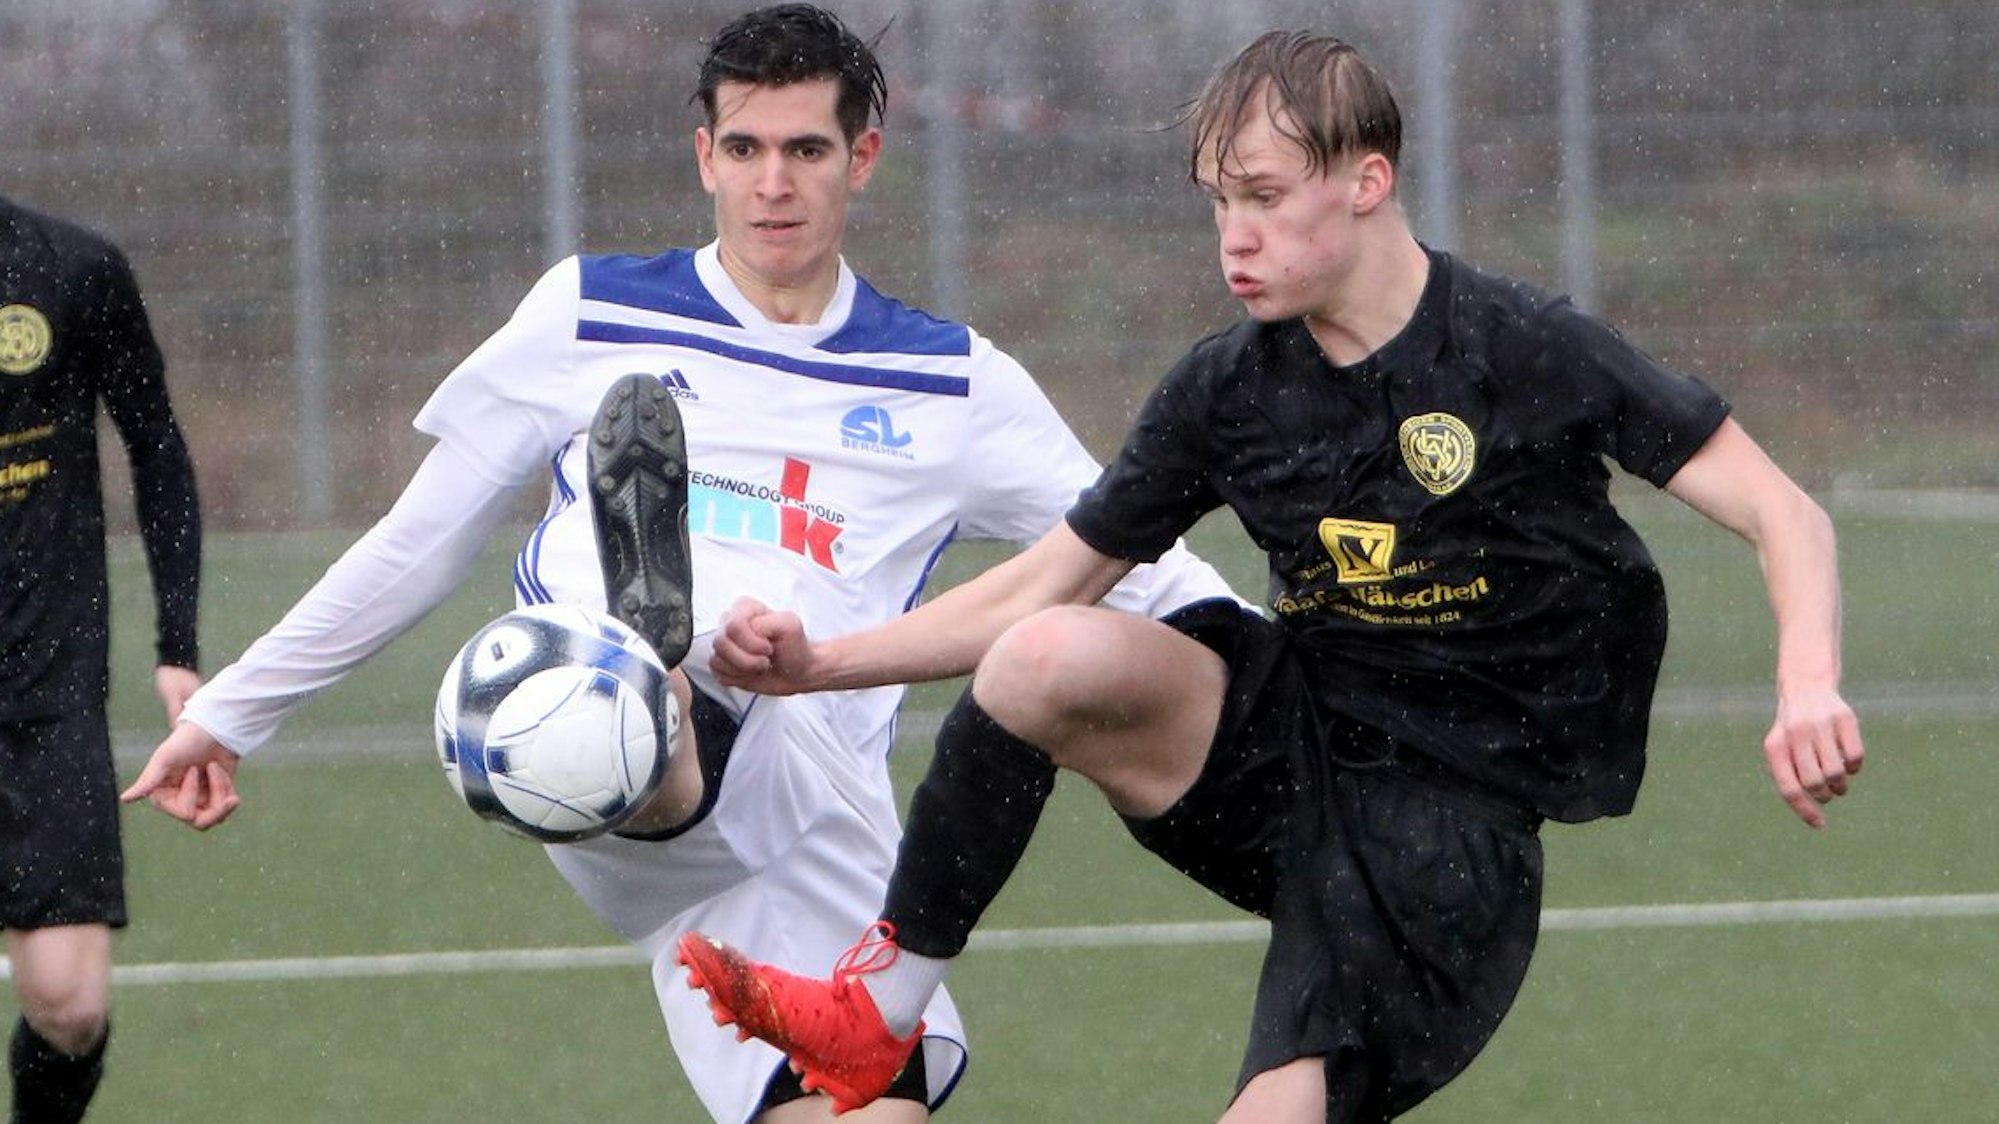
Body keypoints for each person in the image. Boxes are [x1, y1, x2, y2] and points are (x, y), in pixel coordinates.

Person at [678, 28, 1869, 1123]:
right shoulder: (1227, 391)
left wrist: (1807, 681)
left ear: (1365, 181)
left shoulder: (1520, 347)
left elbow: (1784, 511)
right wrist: (819, 665)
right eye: (1217, 205)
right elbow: (1041, 585)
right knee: (1043, 653)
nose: (1232, 239)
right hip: (1291, 751)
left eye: (1261, 199)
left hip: (1451, 822)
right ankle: (874, 1012)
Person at [117, 7, 1238, 1123]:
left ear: (862, 159)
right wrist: (232, 709)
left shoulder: (951, 383)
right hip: (593, 735)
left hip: (818, 820)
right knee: (613, 688)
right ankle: (657, 677)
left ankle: (674, 682)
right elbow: (425, 534)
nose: (773, 184)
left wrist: (1282, 670)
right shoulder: (592, 312)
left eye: (806, 150)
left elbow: (1130, 550)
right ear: (705, 156)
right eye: (744, 149)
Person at [2, 196, 203, 1122]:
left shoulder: (69, 267)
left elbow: (154, 443)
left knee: (70, 1007)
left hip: (47, 689)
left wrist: (177, 645)